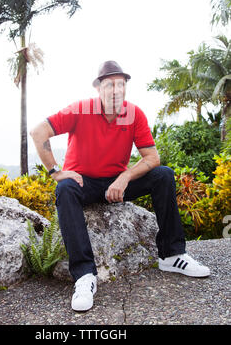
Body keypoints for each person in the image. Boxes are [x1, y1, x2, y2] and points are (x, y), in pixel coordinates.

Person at [30, 60, 210, 312]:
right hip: (84, 183)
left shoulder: (134, 114)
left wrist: (124, 177)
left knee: (164, 175)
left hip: (116, 183)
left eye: (120, 84)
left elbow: (152, 158)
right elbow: (38, 132)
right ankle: (84, 276)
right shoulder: (80, 110)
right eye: (109, 85)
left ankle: (171, 255)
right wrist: (56, 172)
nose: (115, 90)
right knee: (65, 189)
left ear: (125, 87)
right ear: (98, 88)